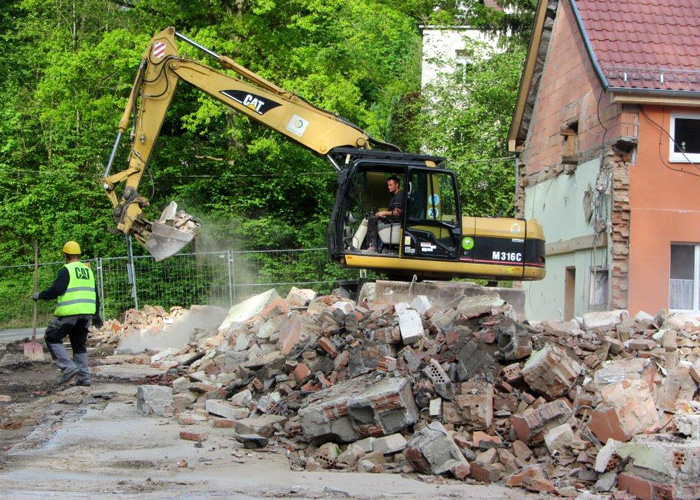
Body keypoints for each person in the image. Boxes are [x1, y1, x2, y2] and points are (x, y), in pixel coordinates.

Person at [33, 241, 102, 386]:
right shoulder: (87, 270)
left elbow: (56, 290)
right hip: (86, 313)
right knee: (78, 344)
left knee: (51, 337)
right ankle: (84, 377)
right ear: (78, 254)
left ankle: (68, 368)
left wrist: (40, 295)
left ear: (65, 255)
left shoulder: (67, 270)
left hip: (70, 313)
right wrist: (96, 314)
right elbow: (95, 293)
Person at [363, 175, 405, 253]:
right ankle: (378, 246)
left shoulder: (399, 195)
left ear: (397, 185)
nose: (389, 187)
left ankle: (372, 246)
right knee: (375, 218)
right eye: (388, 185)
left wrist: (384, 212)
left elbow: (397, 213)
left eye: (390, 185)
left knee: (372, 220)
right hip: (392, 219)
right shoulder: (394, 196)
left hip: (395, 221)